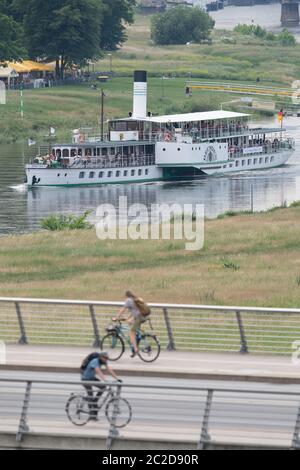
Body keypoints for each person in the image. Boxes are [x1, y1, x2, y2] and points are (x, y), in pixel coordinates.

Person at [81, 351, 121, 420]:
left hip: (92, 378)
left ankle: (94, 401)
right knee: (91, 394)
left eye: (107, 358)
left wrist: (117, 378)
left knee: (103, 386)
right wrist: (105, 380)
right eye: (105, 358)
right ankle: (92, 415)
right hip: (85, 379)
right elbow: (98, 371)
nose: (106, 359)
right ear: (100, 357)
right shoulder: (95, 361)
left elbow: (109, 369)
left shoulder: (103, 361)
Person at [114, 291, 143, 358]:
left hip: (139, 317)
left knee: (131, 333)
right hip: (141, 316)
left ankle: (136, 350)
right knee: (132, 327)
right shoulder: (134, 299)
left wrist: (116, 318)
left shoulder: (128, 300)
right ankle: (135, 345)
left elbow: (122, 310)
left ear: (126, 295)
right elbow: (134, 310)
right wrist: (128, 318)